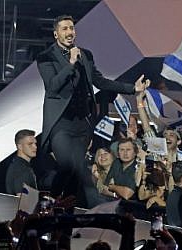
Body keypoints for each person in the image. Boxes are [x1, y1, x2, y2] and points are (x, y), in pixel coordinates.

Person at [36, 14, 150, 199]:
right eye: (64, 29)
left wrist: (132, 88)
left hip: (83, 123)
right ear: (56, 34)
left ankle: (67, 210)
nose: (69, 32)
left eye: (72, 28)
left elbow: (100, 81)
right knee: (66, 166)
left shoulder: (85, 55)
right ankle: (49, 204)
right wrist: (71, 63)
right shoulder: (45, 57)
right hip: (61, 122)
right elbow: (53, 87)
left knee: (78, 170)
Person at [5, 129, 38, 195]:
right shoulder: (21, 169)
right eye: (30, 144)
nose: (35, 147)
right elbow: (23, 202)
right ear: (20, 146)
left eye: (35, 143)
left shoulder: (18, 165)